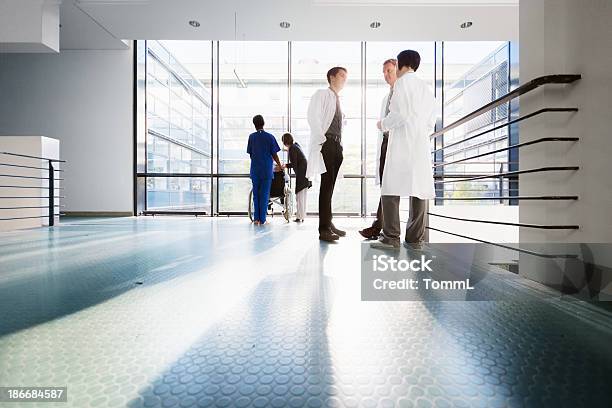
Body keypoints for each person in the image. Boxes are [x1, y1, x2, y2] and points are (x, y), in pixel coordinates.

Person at [370, 50, 436, 250]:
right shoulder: (426, 87)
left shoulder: (402, 83)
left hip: (402, 143)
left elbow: (400, 113)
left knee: (390, 188)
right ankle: (415, 239)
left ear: (401, 64)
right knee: (419, 190)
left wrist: (383, 124)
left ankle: (391, 237)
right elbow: (431, 121)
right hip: (420, 143)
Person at [306, 66, 348, 242]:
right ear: (331, 77)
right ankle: (323, 229)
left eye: (346, 77)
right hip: (327, 143)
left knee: (330, 187)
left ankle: (328, 223)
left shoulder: (337, 99)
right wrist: (322, 139)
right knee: (326, 186)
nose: (344, 79)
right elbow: (312, 116)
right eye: (341, 76)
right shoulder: (321, 94)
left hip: (337, 145)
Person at [359, 58, 398, 240]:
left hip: (395, 144)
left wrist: (382, 124)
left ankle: (380, 227)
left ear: (398, 70)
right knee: (386, 186)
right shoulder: (388, 95)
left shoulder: (401, 92)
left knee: (390, 187)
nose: (385, 75)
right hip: (385, 144)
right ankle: (379, 226)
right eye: (384, 71)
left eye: (389, 70)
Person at [247, 115, 283, 225]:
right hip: (267, 169)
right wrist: (279, 165)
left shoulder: (251, 137)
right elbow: (274, 154)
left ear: (254, 125)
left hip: (255, 170)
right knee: (264, 194)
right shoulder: (270, 137)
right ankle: (262, 219)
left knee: (256, 194)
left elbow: (251, 154)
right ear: (264, 123)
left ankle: (256, 219)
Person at [282, 133, 311, 222]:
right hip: (306, 174)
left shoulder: (292, 149)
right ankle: (301, 215)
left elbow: (294, 163)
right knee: (302, 196)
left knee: (299, 196)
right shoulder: (296, 146)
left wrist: (285, 165)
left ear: (285, 142)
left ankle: (299, 217)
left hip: (302, 175)